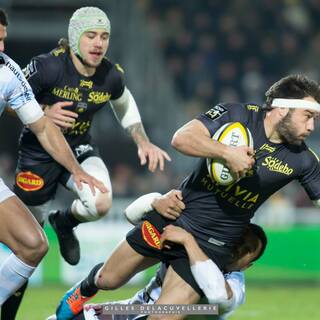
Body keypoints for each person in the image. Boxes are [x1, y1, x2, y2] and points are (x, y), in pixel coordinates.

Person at [56, 75, 320, 320]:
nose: (311, 126)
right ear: (282, 108)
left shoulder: (304, 160)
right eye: (308, 116)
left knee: (164, 316)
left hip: (212, 244)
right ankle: (85, 290)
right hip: (173, 215)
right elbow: (181, 138)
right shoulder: (236, 114)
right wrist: (227, 152)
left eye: (315, 119)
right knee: (108, 280)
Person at [13, 4, 170, 267]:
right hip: (38, 153)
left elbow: (125, 103)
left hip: (79, 148)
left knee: (100, 203)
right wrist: (42, 111)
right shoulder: (47, 67)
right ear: (75, 37)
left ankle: (64, 221)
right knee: (29, 243)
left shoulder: (111, 75)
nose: (98, 43)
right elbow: (8, 99)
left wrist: (142, 141)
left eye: (104, 36)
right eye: (91, 35)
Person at [0, 7, 106, 312]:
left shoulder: (8, 71)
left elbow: (43, 127)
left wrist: (75, 169)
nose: (2, 48)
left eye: (4, 39)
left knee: (34, 244)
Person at [47, 191, 267, 320]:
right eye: (240, 241)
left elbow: (221, 303)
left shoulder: (234, 283)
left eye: (248, 250)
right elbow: (132, 216)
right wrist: (155, 201)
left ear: (248, 266)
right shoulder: (194, 235)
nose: (239, 249)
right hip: (136, 309)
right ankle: (86, 287)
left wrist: (189, 243)